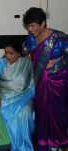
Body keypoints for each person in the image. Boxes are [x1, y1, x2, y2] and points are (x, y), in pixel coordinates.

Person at [22, 7, 68, 151]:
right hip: (40, 81)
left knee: (57, 111)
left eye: (33, 26)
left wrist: (57, 62)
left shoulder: (59, 38)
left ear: (43, 23)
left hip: (59, 81)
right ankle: (42, 141)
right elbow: (24, 51)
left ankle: (58, 142)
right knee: (41, 110)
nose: (30, 30)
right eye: (28, 26)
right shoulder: (31, 39)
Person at [0, 42, 35, 151]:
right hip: (4, 97)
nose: (8, 56)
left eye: (11, 53)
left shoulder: (27, 63)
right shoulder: (2, 63)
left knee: (25, 112)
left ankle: (23, 147)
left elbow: (32, 83)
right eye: (6, 53)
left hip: (23, 97)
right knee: (2, 112)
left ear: (18, 53)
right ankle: (6, 146)